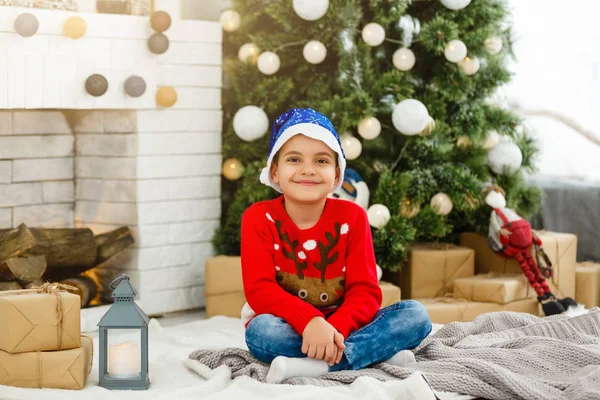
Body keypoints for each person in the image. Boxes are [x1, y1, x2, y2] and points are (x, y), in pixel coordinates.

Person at [240, 108, 432, 384]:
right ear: (275, 171)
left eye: (321, 160)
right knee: (262, 332)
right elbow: (260, 290)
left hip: (348, 325)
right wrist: (309, 322)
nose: (308, 169)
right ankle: (373, 354)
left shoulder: (353, 217)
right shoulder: (259, 217)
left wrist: (333, 329)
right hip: (289, 326)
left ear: (337, 173)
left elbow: (365, 292)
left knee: (415, 316)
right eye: (294, 159)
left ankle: (318, 365)